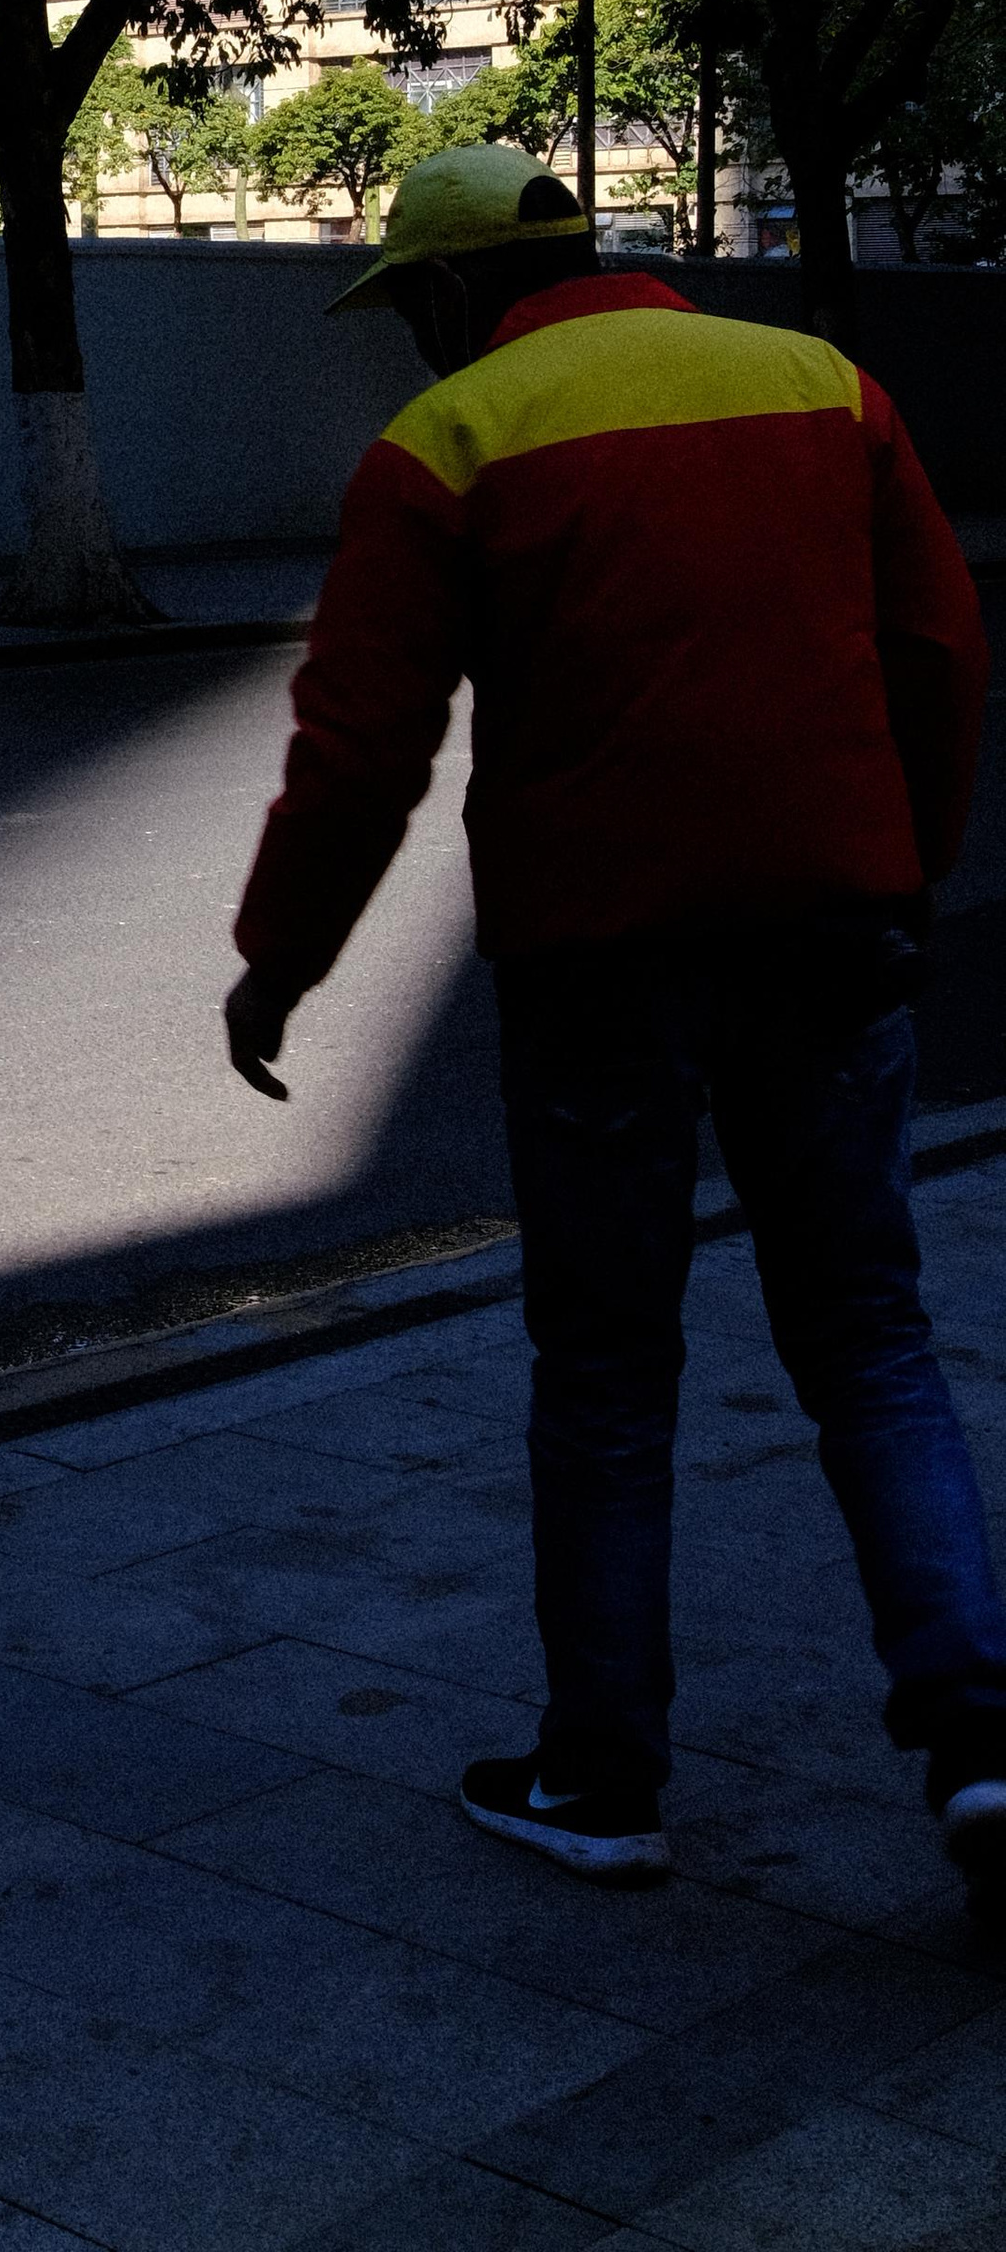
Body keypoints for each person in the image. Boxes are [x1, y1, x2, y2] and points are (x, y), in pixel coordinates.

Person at [222, 142, 999, 1889]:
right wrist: (904, 871)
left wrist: (282, 961)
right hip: (833, 926)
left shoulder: (450, 443)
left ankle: (602, 1776)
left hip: (600, 967)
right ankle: (982, 1746)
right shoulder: (821, 384)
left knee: (604, 1365)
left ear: (445, 295)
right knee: (871, 1341)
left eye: (406, 308)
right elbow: (941, 646)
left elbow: (362, 748)